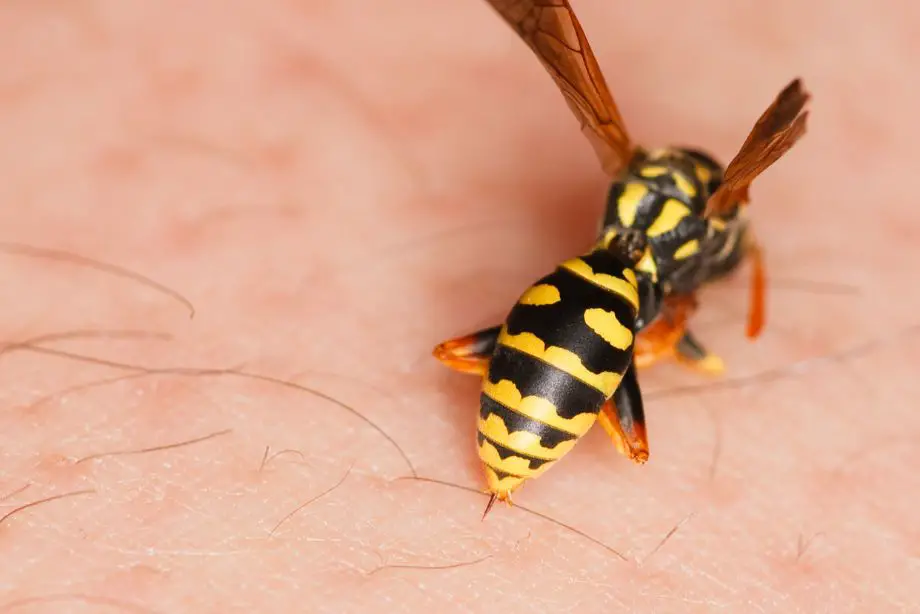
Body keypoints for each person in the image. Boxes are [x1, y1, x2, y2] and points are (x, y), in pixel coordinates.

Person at [1, 1, 915, 611]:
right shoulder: (708, 229)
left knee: (522, 331)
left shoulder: (628, 179)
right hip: (581, 342)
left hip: (570, 318)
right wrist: (684, 314)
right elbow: (684, 277)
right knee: (638, 414)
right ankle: (585, 397)